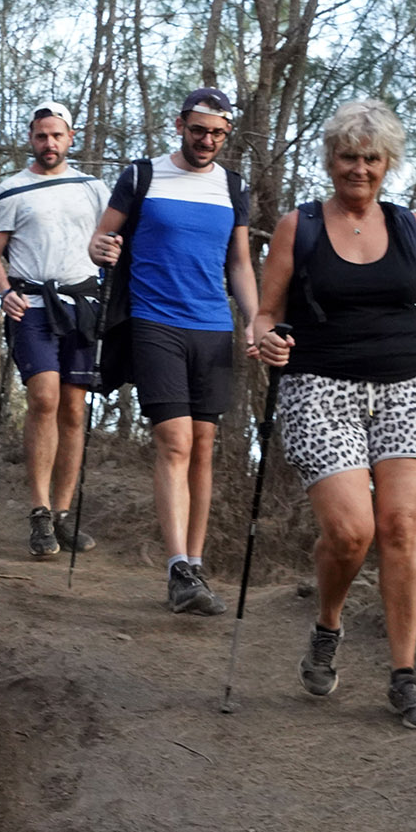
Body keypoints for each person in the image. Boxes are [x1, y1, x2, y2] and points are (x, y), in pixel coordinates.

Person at [248, 98, 416, 731]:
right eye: (348, 156)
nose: (359, 168)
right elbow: (266, 313)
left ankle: (404, 677)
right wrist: (264, 337)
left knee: (401, 525)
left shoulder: (412, 228)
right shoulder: (301, 225)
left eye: (371, 158)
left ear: (388, 164)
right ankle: (328, 624)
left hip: (412, 384)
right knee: (352, 533)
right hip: (320, 386)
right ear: (331, 161)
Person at [88, 86, 260, 615]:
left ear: (226, 135)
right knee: (175, 441)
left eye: (217, 133)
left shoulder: (233, 187)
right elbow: (101, 238)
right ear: (181, 125)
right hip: (152, 320)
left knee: (204, 444)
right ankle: (177, 565)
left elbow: (238, 262)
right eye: (198, 130)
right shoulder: (141, 175)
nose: (207, 140)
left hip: (212, 326)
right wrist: (100, 248)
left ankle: (196, 566)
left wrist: (256, 320)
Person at [0, 100, 106, 559]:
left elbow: (113, 239)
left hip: (82, 304)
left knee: (74, 408)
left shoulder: (94, 188)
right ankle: (38, 512)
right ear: (31, 140)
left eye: (56, 135)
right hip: (31, 304)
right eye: (40, 136)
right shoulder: (13, 189)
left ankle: (63, 513)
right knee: (44, 397)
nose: (48, 143)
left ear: (71, 137)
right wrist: (2, 291)